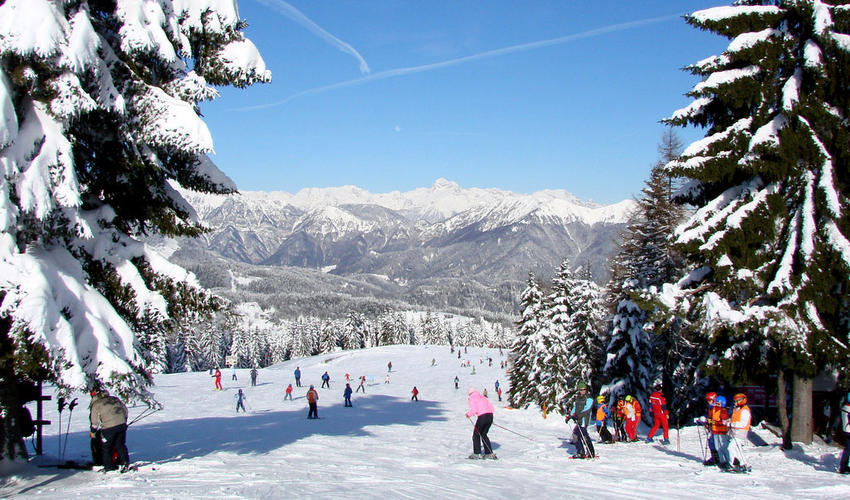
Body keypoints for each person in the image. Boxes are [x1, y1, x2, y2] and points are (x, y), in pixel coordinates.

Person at [89, 390, 129, 472]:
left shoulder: (97, 404)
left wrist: (93, 432)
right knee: (120, 445)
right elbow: (125, 410)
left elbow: (94, 421)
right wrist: (124, 421)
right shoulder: (115, 399)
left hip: (108, 428)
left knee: (106, 447)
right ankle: (124, 463)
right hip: (121, 425)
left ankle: (109, 466)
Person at [466, 387, 496, 459]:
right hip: (490, 415)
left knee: (476, 435)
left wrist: (468, 414)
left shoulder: (472, 398)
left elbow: (474, 410)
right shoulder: (482, 397)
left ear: (470, 394)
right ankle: (489, 453)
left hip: (482, 417)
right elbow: (492, 408)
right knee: (483, 434)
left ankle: (477, 453)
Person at [567, 383, 595, 458]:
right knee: (577, 435)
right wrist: (570, 416)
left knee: (581, 435)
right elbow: (575, 408)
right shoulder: (578, 398)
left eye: (584, 389)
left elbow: (587, 409)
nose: (583, 391)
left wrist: (577, 415)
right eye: (581, 390)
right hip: (579, 420)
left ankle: (590, 452)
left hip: (584, 420)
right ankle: (582, 452)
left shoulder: (588, 398)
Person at [729, 393, 752, 472]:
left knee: (731, 447)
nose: (734, 402)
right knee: (736, 449)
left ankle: (740, 464)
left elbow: (743, 423)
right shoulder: (737, 410)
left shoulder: (745, 411)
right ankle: (743, 465)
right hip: (735, 432)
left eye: (736, 401)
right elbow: (734, 420)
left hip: (741, 432)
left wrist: (731, 424)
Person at [709, 395, 731, 470]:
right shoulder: (714, 409)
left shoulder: (723, 411)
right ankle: (722, 461)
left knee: (723, 446)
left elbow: (723, 422)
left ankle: (728, 461)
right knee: (717, 447)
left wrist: (713, 422)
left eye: (718, 403)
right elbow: (712, 418)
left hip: (722, 431)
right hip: (715, 430)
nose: (716, 404)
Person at [839, 393, 850, 474]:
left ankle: (844, 466)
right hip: (848, 430)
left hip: (846, 430)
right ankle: (844, 467)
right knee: (848, 449)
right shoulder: (848, 408)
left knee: (848, 448)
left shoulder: (844, 407)